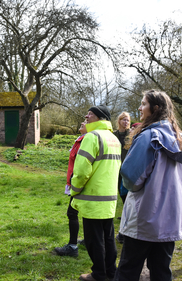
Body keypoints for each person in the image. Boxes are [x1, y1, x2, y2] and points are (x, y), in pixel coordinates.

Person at [114, 90, 182, 281]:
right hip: (170, 218)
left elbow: (131, 177)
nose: (139, 108)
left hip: (145, 218)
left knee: (128, 271)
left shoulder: (149, 136)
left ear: (155, 108)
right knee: (161, 271)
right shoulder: (181, 139)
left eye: (143, 104)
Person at [71, 105, 121, 281]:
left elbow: (82, 171)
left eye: (90, 114)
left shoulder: (92, 137)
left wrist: (74, 189)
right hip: (109, 199)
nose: (86, 116)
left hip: (93, 199)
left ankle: (98, 274)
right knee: (108, 239)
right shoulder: (114, 139)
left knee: (94, 240)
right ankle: (111, 272)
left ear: (99, 118)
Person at [54, 121, 88, 257]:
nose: (82, 122)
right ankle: (87, 240)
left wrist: (76, 185)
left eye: (85, 121)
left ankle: (73, 247)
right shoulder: (80, 140)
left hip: (79, 184)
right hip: (74, 182)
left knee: (72, 213)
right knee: (81, 213)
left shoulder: (87, 141)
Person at [114, 112, 131, 204]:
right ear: (119, 121)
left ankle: (128, 213)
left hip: (127, 166)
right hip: (116, 165)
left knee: (127, 191)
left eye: (128, 120)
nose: (126, 122)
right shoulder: (113, 134)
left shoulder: (131, 134)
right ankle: (125, 212)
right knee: (120, 190)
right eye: (124, 119)